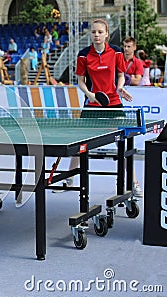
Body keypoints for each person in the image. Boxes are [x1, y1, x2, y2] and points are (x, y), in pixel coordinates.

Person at [55, 19, 143, 197]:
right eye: (93, 32)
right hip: (92, 104)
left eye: (100, 32)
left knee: (123, 142)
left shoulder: (116, 52)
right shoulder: (84, 55)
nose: (96, 35)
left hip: (113, 103)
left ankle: (133, 182)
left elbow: (120, 75)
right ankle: (70, 177)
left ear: (106, 34)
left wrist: (119, 88)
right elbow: (80, 81)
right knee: (81, 143)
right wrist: (90, 95)